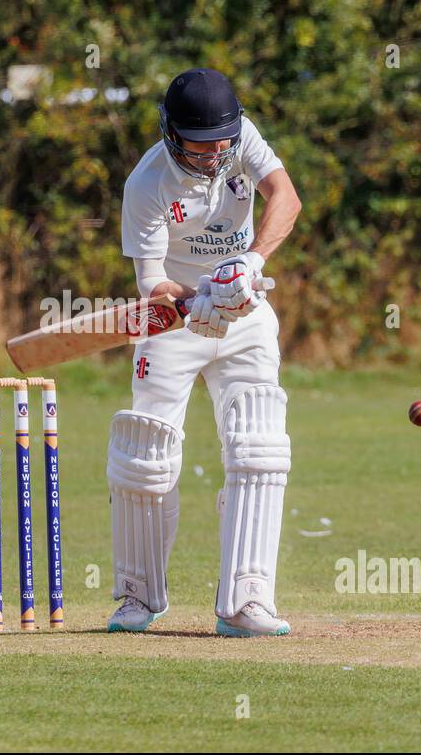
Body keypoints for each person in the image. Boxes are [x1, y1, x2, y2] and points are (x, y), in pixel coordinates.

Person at [107, 68, 302, 637]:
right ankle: (137, 597)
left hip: (244, 308)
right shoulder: (147, 183)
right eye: (201, 148)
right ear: (171, 136)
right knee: (145, 456)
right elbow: (150, 283)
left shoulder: (240, 138)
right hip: (176, 317)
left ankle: (247, 600)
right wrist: (197, 298)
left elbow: (285, 198)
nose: (216, 157)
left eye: (223, 145)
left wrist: (250, 263)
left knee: (259, 446)